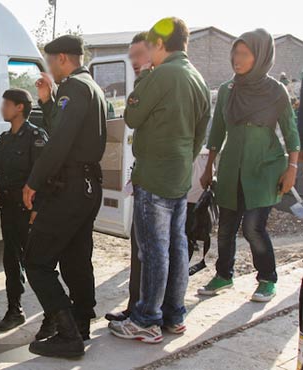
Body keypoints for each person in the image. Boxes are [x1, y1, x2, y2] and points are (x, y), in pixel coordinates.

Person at [109, 17, 211, 344]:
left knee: (154, 251)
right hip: (180, 175)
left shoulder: (160, 74)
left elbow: (132, 116)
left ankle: (146, 321)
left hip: (154, 176)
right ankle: (173, 315)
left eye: (150, 48)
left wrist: (142, 82)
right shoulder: (197, 77)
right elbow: (199, 136)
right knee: (177, 247)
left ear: (160, 44)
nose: (146, 55)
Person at [198, 29, 300, 302]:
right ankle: (224, 275)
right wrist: (209, 167)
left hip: (265, 170)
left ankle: (267, 279)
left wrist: (292, 169)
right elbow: (217, 132)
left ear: (262, 56)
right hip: (232, 169)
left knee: (253, 227)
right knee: (226, 228)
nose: (237, 59)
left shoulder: (275, 91)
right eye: (235, 53)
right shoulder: (228, 89)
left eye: (244, 54)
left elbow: (291, 134)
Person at [22, 34, 106, 358]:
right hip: (87, 187)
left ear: (61, 59)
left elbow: (59, 142)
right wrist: (46, 100)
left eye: (49, 61)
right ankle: (81, 322)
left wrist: (33, 182)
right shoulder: (91, 86)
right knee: (75, 258)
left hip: (70, 187)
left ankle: (68, 335)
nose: (49, 69)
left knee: (36, 261)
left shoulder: (73, 87)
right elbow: (67, 127)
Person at [0, 88, 48, 332]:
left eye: (6, 104)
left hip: (28, 211)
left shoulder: (36, 137)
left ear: (20, 107)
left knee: (37, 263)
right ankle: (15, 310)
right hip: (8, 210)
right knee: (11, 262)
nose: (2, 108)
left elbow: (46, 176)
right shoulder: (5, 139)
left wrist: (38, 210)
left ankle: (54, 315)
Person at [105, 31, 150, 323]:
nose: (134, 61)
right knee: (139, 248)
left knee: (149, 252)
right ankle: (136, 306)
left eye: (139, 55)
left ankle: (145, 312)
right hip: (145, 177)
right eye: (131, 56)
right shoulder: (145, 83)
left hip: (158, 182)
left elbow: (131, 118)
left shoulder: (155, 84)